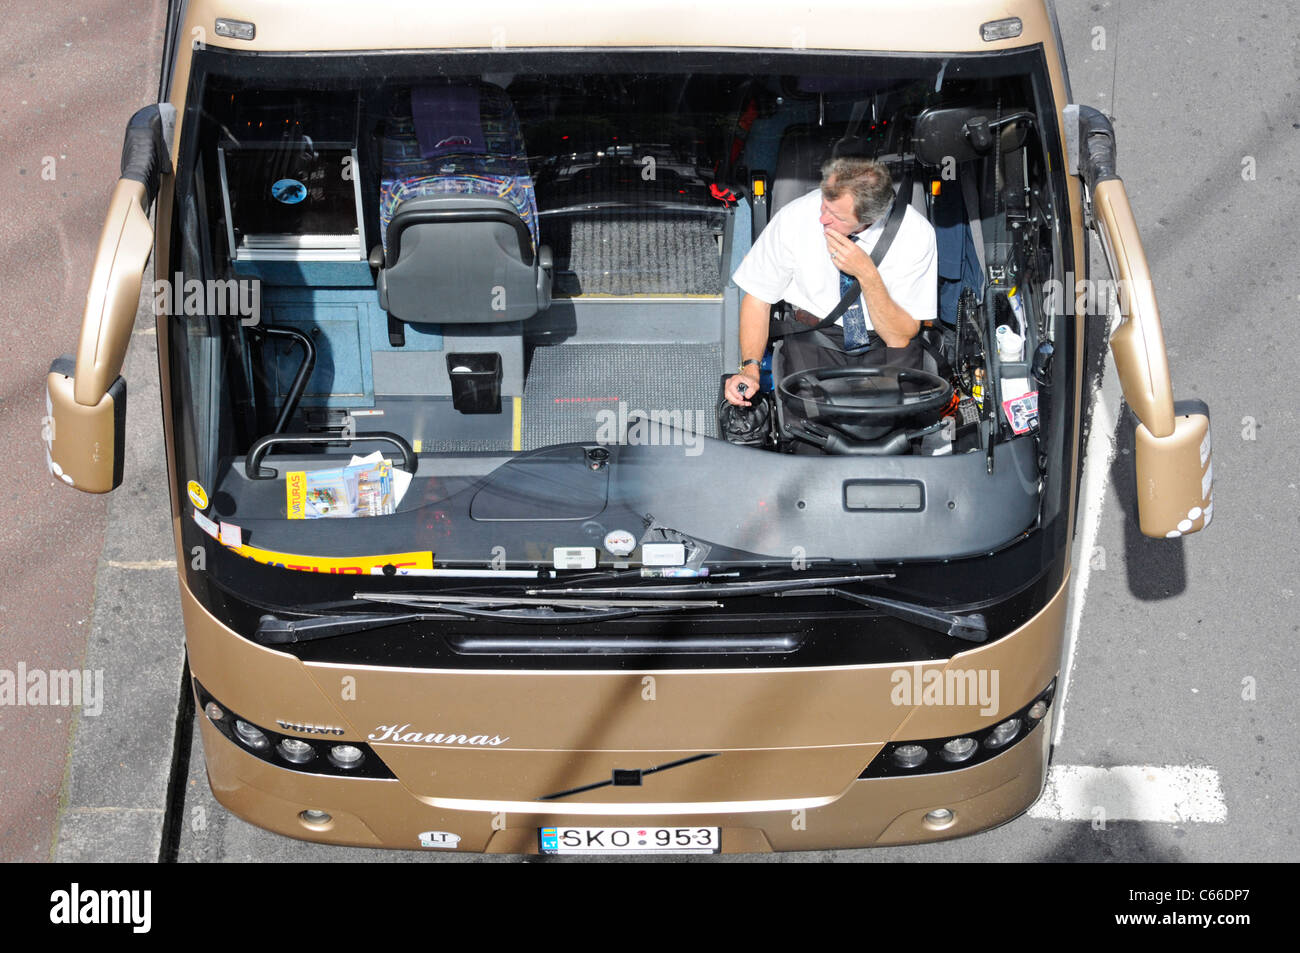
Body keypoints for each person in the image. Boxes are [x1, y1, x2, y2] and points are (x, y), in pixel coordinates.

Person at [723, 156, 937, 409]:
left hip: (885, 339)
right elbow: (758, 299)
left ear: (871, 217)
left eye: (836, 216)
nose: (823, 219)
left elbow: (899, 338)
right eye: (824, 205)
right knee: (811, 428)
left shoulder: (915, 233)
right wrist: (750, 369)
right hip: (814, 336)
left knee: (890, 427)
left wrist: (867, 275)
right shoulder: (795, 217)